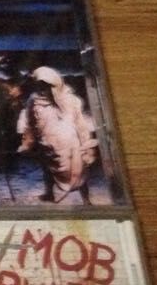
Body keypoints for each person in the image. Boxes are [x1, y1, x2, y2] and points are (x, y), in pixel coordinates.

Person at [17, 66, 98, 204]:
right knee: (48, 169)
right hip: (47, 143)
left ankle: (86, 200)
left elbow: (80, 122)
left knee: (78, 170)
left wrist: (86, 143)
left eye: (46, 85)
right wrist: (27, 143)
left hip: (70, 144)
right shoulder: (34, 101)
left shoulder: (69, 100)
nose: (43, 89)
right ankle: (49, 193)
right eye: (39, 85)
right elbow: (30, 123)